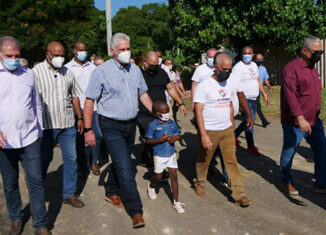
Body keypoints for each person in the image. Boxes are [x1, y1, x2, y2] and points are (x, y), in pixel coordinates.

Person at [84, 33, 153, 228]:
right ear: (112, 51)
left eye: (128, 49)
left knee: (120, 160)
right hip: (110, 124)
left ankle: (111, 190)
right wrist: (89, 129)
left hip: (131, 125)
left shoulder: (135, 70)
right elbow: (89, 101)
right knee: (124, 166)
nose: (126, 52)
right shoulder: (101, 72)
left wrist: (156, 112)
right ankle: (136, 211)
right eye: (122, 50)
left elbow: (143, 94)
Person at [0, 36, 51, 235]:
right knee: (10, 183)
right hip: (5, 141)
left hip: (29, 138)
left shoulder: (28, 74)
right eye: (9, 55)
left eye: (17, 55)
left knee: (36, 181)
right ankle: (15, 218)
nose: (13, 59)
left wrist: (39, 131)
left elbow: (36, 103)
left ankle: (40, 224)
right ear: (1, 55)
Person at [193, 53, 252, 207]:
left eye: (229, 69)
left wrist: (231, 126)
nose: (227, 72)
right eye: (224, 69)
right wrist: (204, 135)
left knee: (231, 161)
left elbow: (231, 105)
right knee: (204, 160)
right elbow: (198, 111)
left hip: (226, 130)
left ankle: (239, 194)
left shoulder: (230, 82)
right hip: (209, 131)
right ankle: (200, 183)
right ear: (216, 67)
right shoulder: (204, 85)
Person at [33, 41, 85, 208]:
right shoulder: (36, 72)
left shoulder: (68, 72)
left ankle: (69, 194)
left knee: (71, 159)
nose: (60, 58)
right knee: (44, 159)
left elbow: (75, 96)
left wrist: (80, 117)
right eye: (56, 55)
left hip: (68, 123)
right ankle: (37, 191)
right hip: (47, 126)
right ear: (48, 54)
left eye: (62, 55)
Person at [280, 36, 326, 195]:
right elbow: (290, 95)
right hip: (295, 121)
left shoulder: (312, 68)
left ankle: (321, 183)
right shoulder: (291, 69)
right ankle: (286, 181)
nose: (319, 55)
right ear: (304, 50)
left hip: (314, 119)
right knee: (290, 151)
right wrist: (300, 117)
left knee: (322, 150)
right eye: (316, 52)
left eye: (321, 52)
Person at [138, 51, 187, 169]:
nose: (154, 68)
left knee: (154, 137)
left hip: (161, 113)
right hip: (143, 113)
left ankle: (146, 158)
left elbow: (170, 88)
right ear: (144, 62)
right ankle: (160, 169)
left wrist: (181, 103)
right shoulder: (137, 73)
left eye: (156, 65)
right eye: (151, 65)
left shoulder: (161, 72)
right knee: (155, 136)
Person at [65, 41, 104, 176]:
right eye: (80, 50)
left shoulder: (93, 67)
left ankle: (94, 161)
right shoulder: (67, 68)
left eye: (85, 50)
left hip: (93, 109)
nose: (83, 52)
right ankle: (82, 165)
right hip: (76, 110)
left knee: (98, 135)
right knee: (79, 139)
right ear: (74, 51)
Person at [146, 101, 185, 213]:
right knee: (158, 177)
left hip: (171, 154)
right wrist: (160, 140)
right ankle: (151, 186)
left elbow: (178, 134)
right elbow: (148, 140)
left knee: (174, 176)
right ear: (158, 114)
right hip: (159, 155)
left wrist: (174, 138)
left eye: (168, 111)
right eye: (165, 112)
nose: (168, 113)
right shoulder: (153, 125)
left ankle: (176, 203)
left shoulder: (172, 123)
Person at [233, 46, 269, 155]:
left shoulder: (254, 65)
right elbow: (234, 85)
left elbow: (258, 80)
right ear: (241, 54)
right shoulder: (238, 67)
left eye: (249, 53)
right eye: (245, 53)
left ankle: (234, 135)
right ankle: (251, 146)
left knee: (248, 120)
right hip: (244, 99)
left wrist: (264, 94)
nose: (247, 55)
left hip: (254, 98)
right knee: (250, 121)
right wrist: (238, 103)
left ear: (253, 54)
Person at [164, 58, 186, 125]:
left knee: (172, 112)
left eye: (171, 64)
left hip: (172, 96)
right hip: (165, 97)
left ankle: (173, 127)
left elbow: (177, 83)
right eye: (168, 64)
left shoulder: (174, 73)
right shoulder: (162, 73)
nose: (170, 65)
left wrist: (181, 92)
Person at [255, 53, 272, 127]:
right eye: (257, 59)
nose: (258, 61)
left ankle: (263, 121)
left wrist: (269, 87)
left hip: (259, 90)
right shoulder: (252, 67)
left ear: (262, 59)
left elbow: (266, 80)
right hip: (252, 90)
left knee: (257, 106)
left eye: (260, 59)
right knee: (257, 106)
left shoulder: (263, 69)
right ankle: (263, 120)